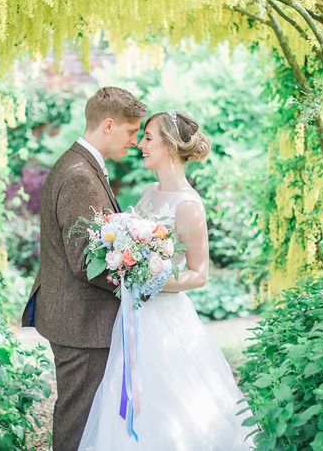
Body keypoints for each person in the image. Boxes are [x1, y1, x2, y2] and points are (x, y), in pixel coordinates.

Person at [78, 110, 256, 450]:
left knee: (170, 401)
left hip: (167, 322)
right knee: (126, 393)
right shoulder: (149, 191)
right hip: (133, 318)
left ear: (170, 146)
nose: (140, 145)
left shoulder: (189, 205)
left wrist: (149, 277)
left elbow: (198, 274)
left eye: (147, 137)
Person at [21, 86, 148, 451]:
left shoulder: (82, 165)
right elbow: (85, 261)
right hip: (81, 321)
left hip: (78, 316)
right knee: (79, 419)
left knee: (89, 415)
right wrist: (140, 283)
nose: (135, 141)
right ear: (108, 125)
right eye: (130, 132)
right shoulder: (79, 174)